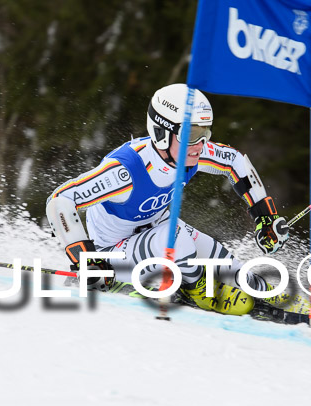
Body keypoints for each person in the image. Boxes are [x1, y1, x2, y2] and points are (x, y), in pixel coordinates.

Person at [46, 83, 294, 316]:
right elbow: (60, 201)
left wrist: (265, 216)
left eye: (205, 131)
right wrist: (86, 260)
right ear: (162, 132)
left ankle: (268, 294)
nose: (201, 144)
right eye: (192, 133)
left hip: (161, 233)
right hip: (115, 253)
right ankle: (201, 291)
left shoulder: (189, 153)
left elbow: (235, 161)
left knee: (227, 264)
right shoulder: (126, 171)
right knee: (177, 238)